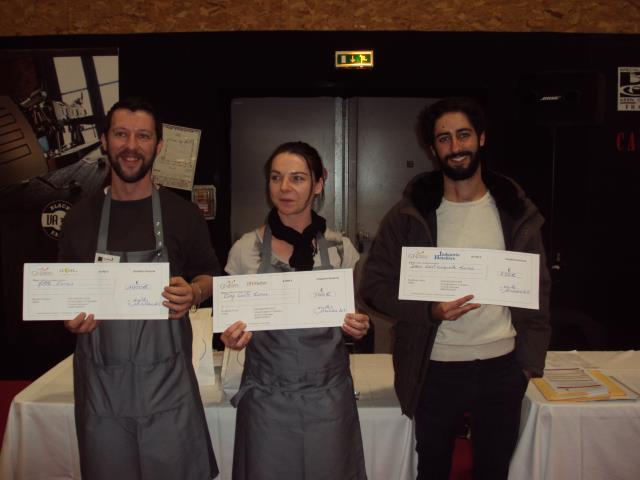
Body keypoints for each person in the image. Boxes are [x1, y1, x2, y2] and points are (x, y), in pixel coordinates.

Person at [359, 97, 550, 480]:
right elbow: (374, 287)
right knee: (433, 468)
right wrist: (429, 310)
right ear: (433, 149)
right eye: (444, 139)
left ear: (481, 138)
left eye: (463, 135)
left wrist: (528, 363)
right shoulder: (410, 213)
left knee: (494, 470)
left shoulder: (513, 210)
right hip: (435, 367)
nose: (455, 147)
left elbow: (539, 289)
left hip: (501, 365)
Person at [59, 98, 219, 480]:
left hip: (168, 393)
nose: (131, 146)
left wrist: (194, 293)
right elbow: (61, 293)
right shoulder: (79, 219)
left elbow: (212, 276)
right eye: (121, 134)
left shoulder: (182, 214)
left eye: (143, 136)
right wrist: (68, 318)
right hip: (103, 393)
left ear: (158, 146)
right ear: (104, 141)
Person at [221, 141, 369, 480]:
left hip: (328, 397)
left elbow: (354, 314)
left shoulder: (341, 249)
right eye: (276, 178)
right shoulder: (246, 250)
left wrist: (359, 326)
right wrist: (233, 337)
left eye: (298, 178)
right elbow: (232, 324)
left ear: (319, 183)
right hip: (266, 399)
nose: (284, 188)